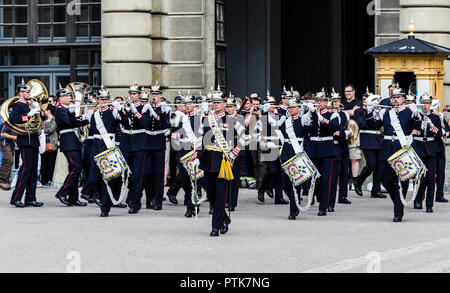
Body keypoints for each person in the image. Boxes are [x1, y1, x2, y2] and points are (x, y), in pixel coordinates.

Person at [198, 88, 248, 236]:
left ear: (225, 103)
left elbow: (245, 138)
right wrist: (196, 156)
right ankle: (224, 218)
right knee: (211, 195)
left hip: (223, 161)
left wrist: (235, 151)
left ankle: (215, 226)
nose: (216, 105)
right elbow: (199, 139)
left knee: (220, 195)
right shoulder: (206, 119)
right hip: (208, 161)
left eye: (219, 102)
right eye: (214, 102)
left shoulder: (232, 120)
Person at [378, 87, 419, 222]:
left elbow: (417, 126)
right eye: (393, 98)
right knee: (385, 180)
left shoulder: (408, 112)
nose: (395, 100)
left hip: (402, 150)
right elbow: (372, 124)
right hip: (387, 149)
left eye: (398, 97)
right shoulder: (386, 112)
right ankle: (398, 201)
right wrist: (370, 112)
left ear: (403, 98)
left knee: (402, 181)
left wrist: (416, 114)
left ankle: (398, 212)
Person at [88, 86, 124, 217]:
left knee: (107, 179)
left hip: (109, 147)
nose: (103, 101)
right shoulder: (96, 113)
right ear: (97, 100)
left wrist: (120, 111)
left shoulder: (112, 112)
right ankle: (96, 195)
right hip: (97, 146)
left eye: (105, 99)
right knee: (93, 177)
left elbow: (125, 122)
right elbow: (92, 128)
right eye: (101, 99)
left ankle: (105, 206)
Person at [304, 88, 340, 216]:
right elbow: (304, 127)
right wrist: (309, 113)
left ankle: (323, 206)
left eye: (321, 101)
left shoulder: (332, 115)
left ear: (327, 102)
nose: (318, 102)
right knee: (315, 179)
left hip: (327, 149)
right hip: (314, 149)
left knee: (326, 179)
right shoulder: (311, 114)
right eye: (317, 100)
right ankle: (317, 198)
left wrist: (318, 116)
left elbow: (334, 128)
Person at [9, 79, 44, 208]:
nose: (29, 93)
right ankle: (16, 198)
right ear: (20, 92)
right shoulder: (18, 105)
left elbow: (41, 119)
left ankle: (30, 198)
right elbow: (13, 119)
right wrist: (28, 115)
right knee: (25, 169)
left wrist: (39, 112)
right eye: (27, 91)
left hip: (33, 139)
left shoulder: (30, 104)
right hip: (25, 139)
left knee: (33, 171)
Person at [54, 85, 91, 207]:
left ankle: (73, 198)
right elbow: (70, 123)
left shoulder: (66, 109)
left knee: (74, 169)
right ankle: (62, 193)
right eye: (66, 95)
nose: (69, 97)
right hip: (68, 141)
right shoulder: (60, 109)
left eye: (69, 95)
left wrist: (86, 119)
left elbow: (75, 122)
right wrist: (71, 112)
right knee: (76, 168)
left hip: (74, 141)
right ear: (60, 98)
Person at [119, 82, 151, 214]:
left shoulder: (145, 108)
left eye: (134, 94)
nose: (131, 96)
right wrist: (121, 113)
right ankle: (128, 196)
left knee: (138, 174)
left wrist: (135, 111)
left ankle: (135, 202)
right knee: (126, 173)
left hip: (139, 143)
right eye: (130, 94)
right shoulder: (126, 107)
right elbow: (125, 124)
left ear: (139, 95)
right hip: (127, 143)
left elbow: (145, 123)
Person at [255, 93, 289, 205]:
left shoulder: (279, 115)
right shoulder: (262, 118)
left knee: (279, 171)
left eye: (273, 103)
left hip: (279, 145)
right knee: (272, 170)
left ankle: (278, 197)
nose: (273, 105)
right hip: (268, 145)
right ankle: (262, 188)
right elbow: (256, 134)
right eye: (270, 103)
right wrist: (265, 143)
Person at [143, 82, 171, 211]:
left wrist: (162, 112)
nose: (154, 96)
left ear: (161, 95)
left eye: (157, 94)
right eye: (153, 94)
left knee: (159, 173)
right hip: (148, 140)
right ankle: (149, 199)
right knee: (147, 172)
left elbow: (165, 125)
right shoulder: (146, 106)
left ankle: (158, 201)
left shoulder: (165, 108)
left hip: (159, 141)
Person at [412, 93, 442, 213]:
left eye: (427, 103)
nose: (425, 105)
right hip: (419, 148)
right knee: (419, 177)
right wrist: (417, 118)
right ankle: (418, 199)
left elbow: (439, 134)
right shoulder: (415, 116)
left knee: (430, 178)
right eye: (423, 103)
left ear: (430, 104)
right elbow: (412, 130)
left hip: (431, 149)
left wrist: (430, 124)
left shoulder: (435, 117)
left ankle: (429, 204)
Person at [353, 91, 386, 199]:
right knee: (371, 164)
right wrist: (369, 113)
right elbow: (363, 125)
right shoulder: (359, 111)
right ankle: (358, 181)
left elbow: (378, 125)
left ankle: (376, 190)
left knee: (380, 166)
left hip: (379, 140)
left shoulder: (378, 110)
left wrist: (382, 117)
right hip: (367, 139)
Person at [329, 89, 352, 211]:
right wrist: (344, 133)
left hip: (343, 144)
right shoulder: (329, 114)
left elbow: (347, 126)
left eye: (337, 100)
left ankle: (343, 195)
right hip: (334, 144)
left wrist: (348, 133)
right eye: (333, 101)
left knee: (344, 171)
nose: (336, 103)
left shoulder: (344, 114)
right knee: (333, 173)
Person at [341, 84, 363, 188]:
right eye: (346, 92)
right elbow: (351, 112)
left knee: (354, 158)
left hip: (354, 133)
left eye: (349, 91)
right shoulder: (342, 103)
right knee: (342, 158)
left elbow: (354, 112)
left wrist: (342, 112)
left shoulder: (358, 102)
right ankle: (343, 182)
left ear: (354, 92)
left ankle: (355, 181)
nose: (347, 93)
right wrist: (349, 112)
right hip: (342, 132)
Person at [40, 104, 58, 187]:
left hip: (52, 144)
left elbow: (51, 130)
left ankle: (51, 179)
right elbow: (39, 131)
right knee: (44, 163)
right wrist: (44, 131)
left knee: (51, 163)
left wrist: (44, 131)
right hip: (43, 144)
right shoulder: (43, 121)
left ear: (49, 110)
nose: (44, 111)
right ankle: (44, 180)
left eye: (45, 110)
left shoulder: (55, 120)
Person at [0, 123, 16, 190]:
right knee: (9, 160)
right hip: (4, 140)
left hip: (10, 140)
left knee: (9, 160)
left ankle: (5, 179)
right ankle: (2, 180)